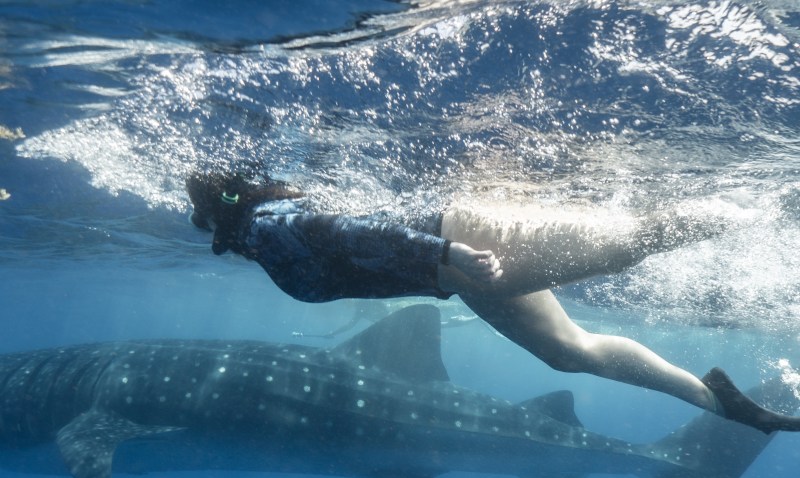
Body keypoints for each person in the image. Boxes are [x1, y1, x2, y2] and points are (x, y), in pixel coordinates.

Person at [186, 171, 800, 434]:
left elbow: (350, 233)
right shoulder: (262, 237)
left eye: (206, 219)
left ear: (226, 208)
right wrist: (447, 263)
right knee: (567, 352)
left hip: (462, 244)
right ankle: (718, 401)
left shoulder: (267, 225)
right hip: (456, 270)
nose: (210, 240)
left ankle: (766, 209)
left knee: (628, 243)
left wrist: (448, 251)